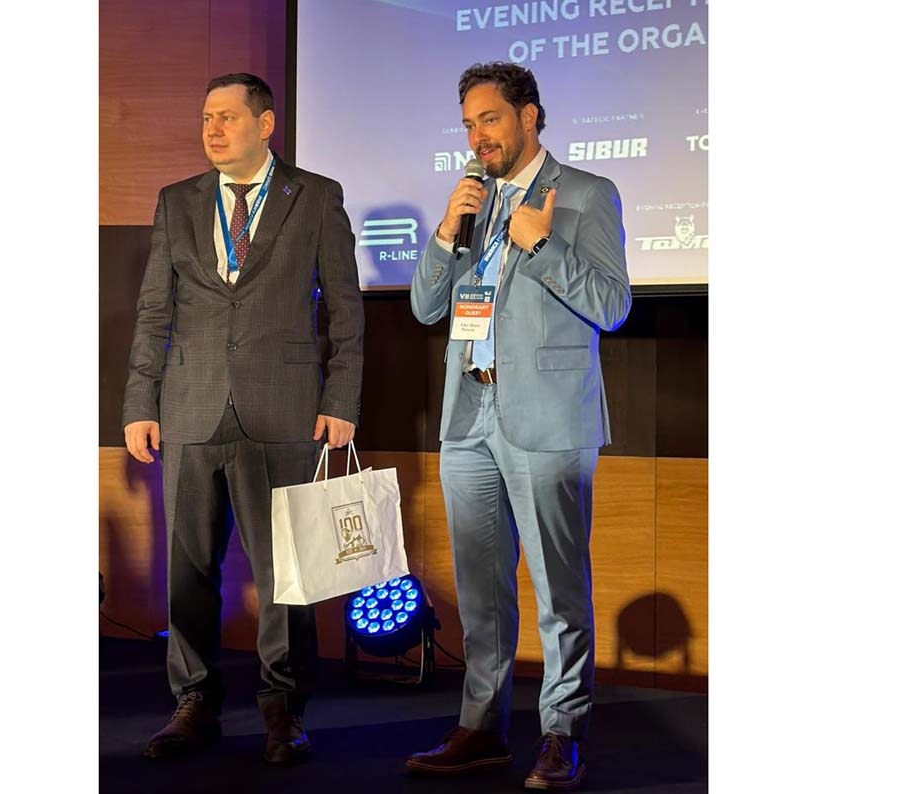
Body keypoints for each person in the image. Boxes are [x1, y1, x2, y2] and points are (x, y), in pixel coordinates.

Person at [121, 72, 364, 765]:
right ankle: (193, 700)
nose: (213, 129)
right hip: (190, 406)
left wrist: (341, 400)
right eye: (206, 118)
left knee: (286, 569)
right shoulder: (178, 201)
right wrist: (140, 402)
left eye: (227, 116)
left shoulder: (315, 196)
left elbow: (345, 308)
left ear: (265, 124)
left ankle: (283, 707)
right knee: (189, 569)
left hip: (285, 408)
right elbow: (154, 310)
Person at [406, 62, 630, 791]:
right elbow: (426, 308)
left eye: (490, 119)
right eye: (469, 124)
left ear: (529, 116)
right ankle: (482, 727)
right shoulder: (471, 204)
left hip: (548, 418)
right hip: (469, 414)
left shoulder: (587, 194)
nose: (478, 136)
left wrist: (540, 243)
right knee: (481, 591)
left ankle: (563, 732)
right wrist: (447, 229)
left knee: (559, 592)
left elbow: (612, 305)